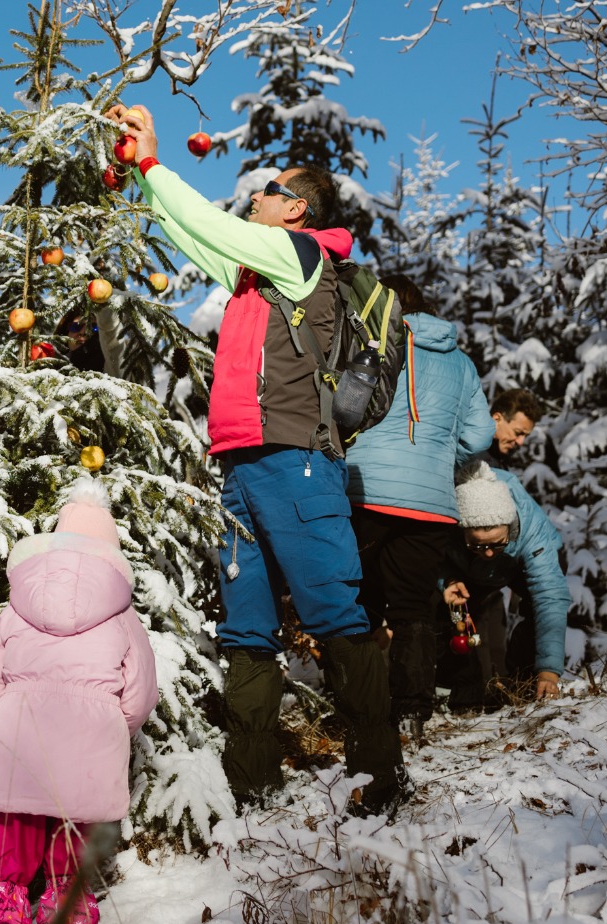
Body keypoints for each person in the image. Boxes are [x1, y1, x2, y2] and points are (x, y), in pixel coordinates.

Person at [108, 104, 405, 814]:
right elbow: (192, 235)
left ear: (295, 208)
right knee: (246, 626)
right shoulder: (255, 277)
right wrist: (141, 177)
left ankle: (380, 775)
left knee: (334, 612)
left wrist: (152, 162)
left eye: (270, 189)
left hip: (297, 460)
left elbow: (214, 225)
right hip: (242, 465)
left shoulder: (302, 256)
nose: (257, 195)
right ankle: (251, 781)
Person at [0, 480, 157, 924]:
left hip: (20, 753)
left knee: (7, 870)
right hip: (91, 761)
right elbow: (139, 696)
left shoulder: (15, 609)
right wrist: (112, 729)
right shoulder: (123, 617)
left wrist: (14, 712)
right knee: (67, 873)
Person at [346, 276, 495, 735]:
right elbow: (481, 436)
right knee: (412, 609)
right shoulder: (462, 363)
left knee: (358, 602)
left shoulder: (371, 342)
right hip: (430, 504)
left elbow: (343, 408)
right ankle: (411, 712)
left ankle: (359, 712)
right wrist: (435, 460)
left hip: (365, 491)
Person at [440, 462, 570, 707]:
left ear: (510, 528)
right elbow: (428, 558)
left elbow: (549, 595)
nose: (489, 553)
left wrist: (549, 671)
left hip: (519, 561)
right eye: (478, 545)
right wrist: (448, 580)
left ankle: (528, 682)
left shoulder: (531, 530)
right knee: (453, 615)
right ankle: (468, 689)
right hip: (466, 569)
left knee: (537, 610)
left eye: (496, 543)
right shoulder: (446, 520)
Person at [482, 387, 543, 463]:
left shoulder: (495, 461)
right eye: (517, 432)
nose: (520, 442)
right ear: (496, 420)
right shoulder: (473, 463)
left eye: (526, 436)